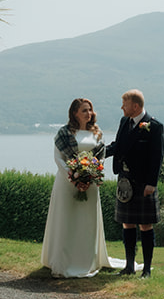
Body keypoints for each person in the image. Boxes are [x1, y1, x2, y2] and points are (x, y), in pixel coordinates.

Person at [39, 97, 113, 277]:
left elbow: (100, 157)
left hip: (91, 184)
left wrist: (91, 174)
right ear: (74, 113)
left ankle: (87, 261)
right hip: (67, 184)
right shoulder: (64, 133)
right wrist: (73, 177)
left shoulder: (97, 133)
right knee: (66, 220)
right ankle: (63, 261)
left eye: (90, 110)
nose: (89, 113)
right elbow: (59, 159)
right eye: (84, 110)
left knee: (87, 222)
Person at [104, 88, 164, 277]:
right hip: (125, 181)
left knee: (145, 225)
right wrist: (97, 154)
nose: (122, 107)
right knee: (127, 223)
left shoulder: (154, 126)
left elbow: (157, 157)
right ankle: (129, 266)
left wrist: (151, 183)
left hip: (143, 183)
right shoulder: (124, 122)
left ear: (135, 106)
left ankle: (146, 269)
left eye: (125, 104)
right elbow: (118, 146)